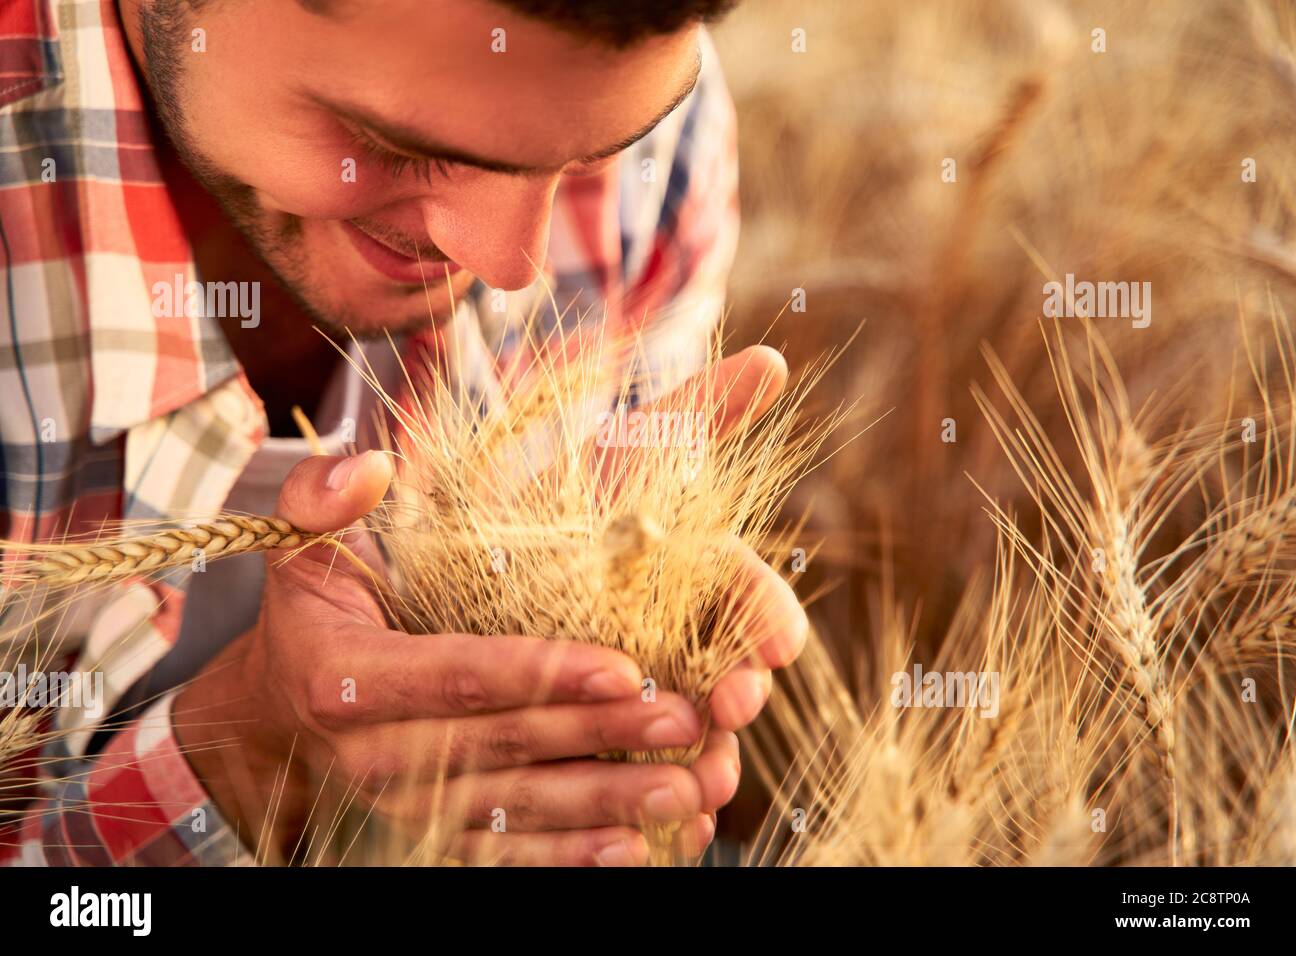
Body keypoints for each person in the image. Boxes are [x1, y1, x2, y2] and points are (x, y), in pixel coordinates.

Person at [0, 0, 807, 866]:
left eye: (587, 159)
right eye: (390, 145)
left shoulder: (651, 130)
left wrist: (605, 654)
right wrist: (249, 753)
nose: (508, 263)